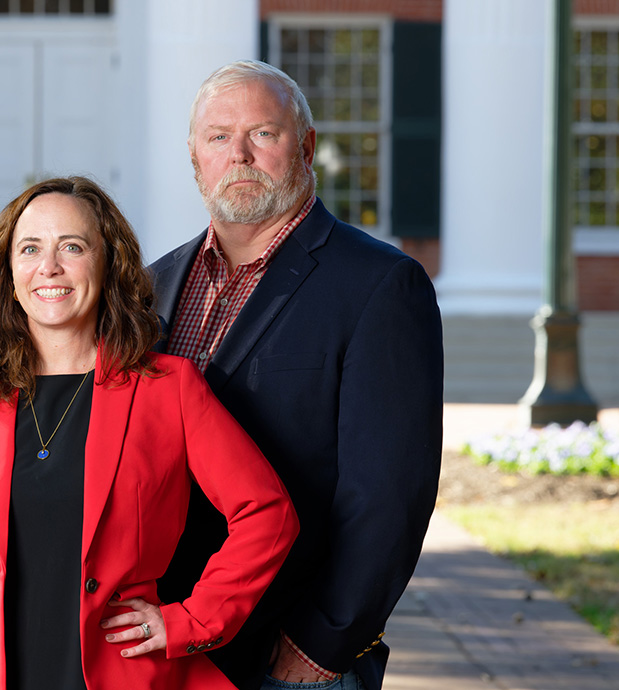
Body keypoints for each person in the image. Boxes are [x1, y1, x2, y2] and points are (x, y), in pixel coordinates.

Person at [0, 176, 299, 690]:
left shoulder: (169, 390)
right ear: (9, 271)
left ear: (108, 266)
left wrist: (190, 621)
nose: (49, 267)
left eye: (73, 247)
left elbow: (267, 514)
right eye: (30, 248)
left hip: (122, 675)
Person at [151, 60, 444, 690]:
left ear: (305, 148)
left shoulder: (378, 287)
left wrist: (323, 644)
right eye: (219, 137)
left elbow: (391, 494)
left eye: (264, 133)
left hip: (291, 656)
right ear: (194, 155)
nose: (240, 155)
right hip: (168, 645)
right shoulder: (151, 287)